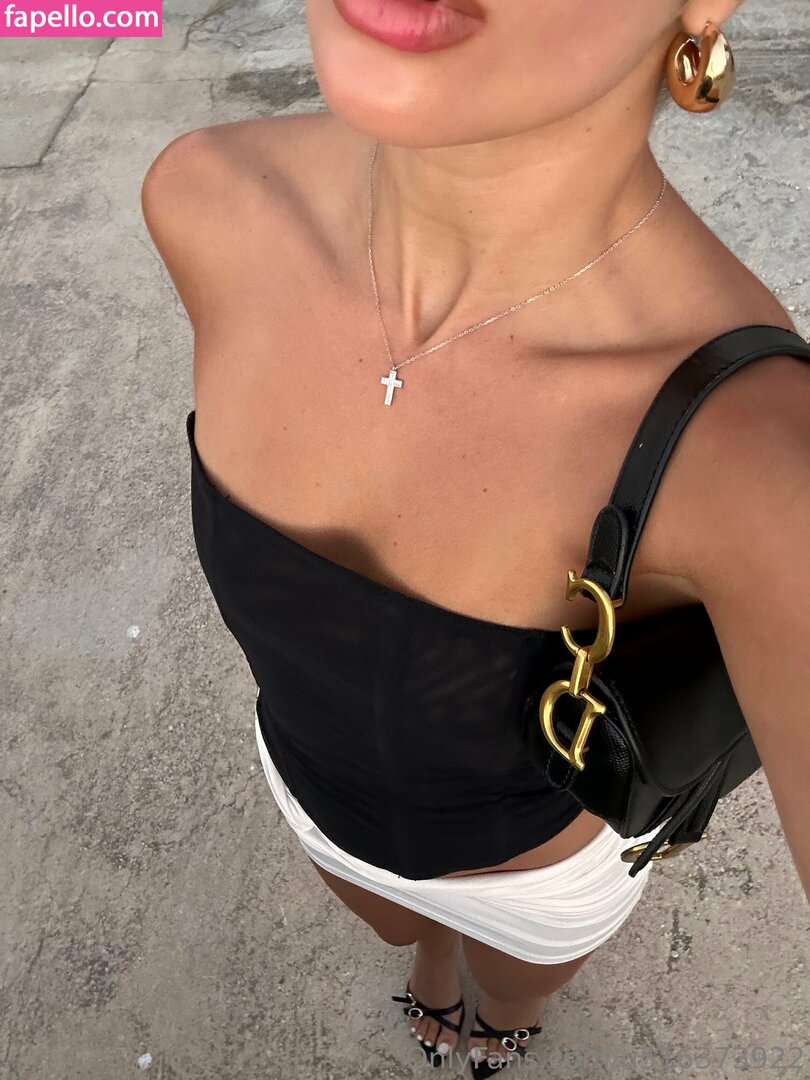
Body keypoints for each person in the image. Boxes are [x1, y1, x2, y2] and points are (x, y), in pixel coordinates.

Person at [141, 0, 810, 1074]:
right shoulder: (202, 201)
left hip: (534, 878)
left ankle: (499, 1010)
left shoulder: (762, 456)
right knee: (401, 932)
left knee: (515, 984)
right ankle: (433, 968)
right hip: (316, 804)